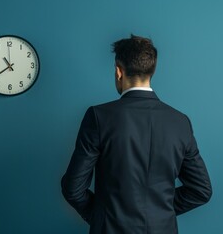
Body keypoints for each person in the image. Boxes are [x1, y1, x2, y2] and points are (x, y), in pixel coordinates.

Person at [61, 34, 212, 234]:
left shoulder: (98, 117)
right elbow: (201, 190)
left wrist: (101, 216)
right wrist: (159, 212)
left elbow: (73, 188)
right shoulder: (180, 121)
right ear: (152, 71)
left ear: (118, 71)